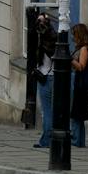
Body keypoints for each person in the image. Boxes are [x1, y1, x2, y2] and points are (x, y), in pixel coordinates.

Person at [69, 22, 88, 151]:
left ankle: (76, 139)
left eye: (74, 35)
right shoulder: (81, 48)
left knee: (76, 112)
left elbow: (81, 66)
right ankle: (79, 140)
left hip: (80, 84)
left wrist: (69, 60)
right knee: (78, 112)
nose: (73, 38)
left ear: (79, 35)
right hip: (77, 82)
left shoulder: (84, 49)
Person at [32, 12, 56, 149]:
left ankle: (46, 140)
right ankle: (51, 137)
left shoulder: (42, 43)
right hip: (55, 77)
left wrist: (40, 22)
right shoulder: (54, 41)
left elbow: (33, 30)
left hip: (45, 78)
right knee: (53, 110)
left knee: (47, 111)